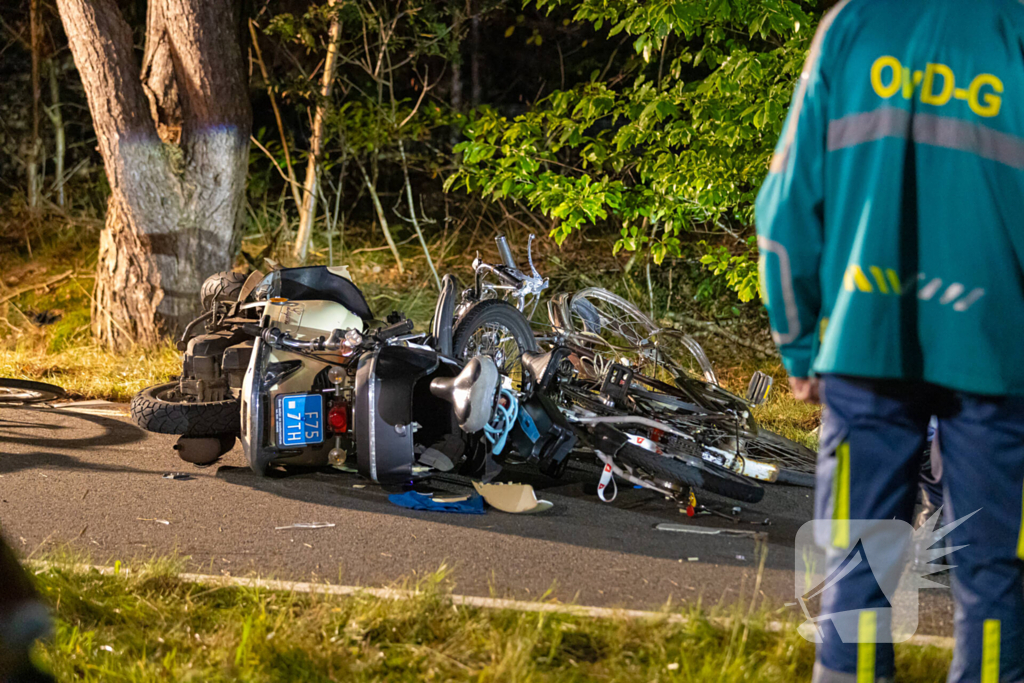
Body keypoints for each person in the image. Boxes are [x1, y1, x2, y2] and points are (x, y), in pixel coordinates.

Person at [755, 1, 1024, 681]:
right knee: (995, 577)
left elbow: (785, 211)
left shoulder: (850, 27)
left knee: (856, 567)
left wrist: (797, 340)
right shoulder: (1012, 29)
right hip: (996, 355)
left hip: (863, 345)